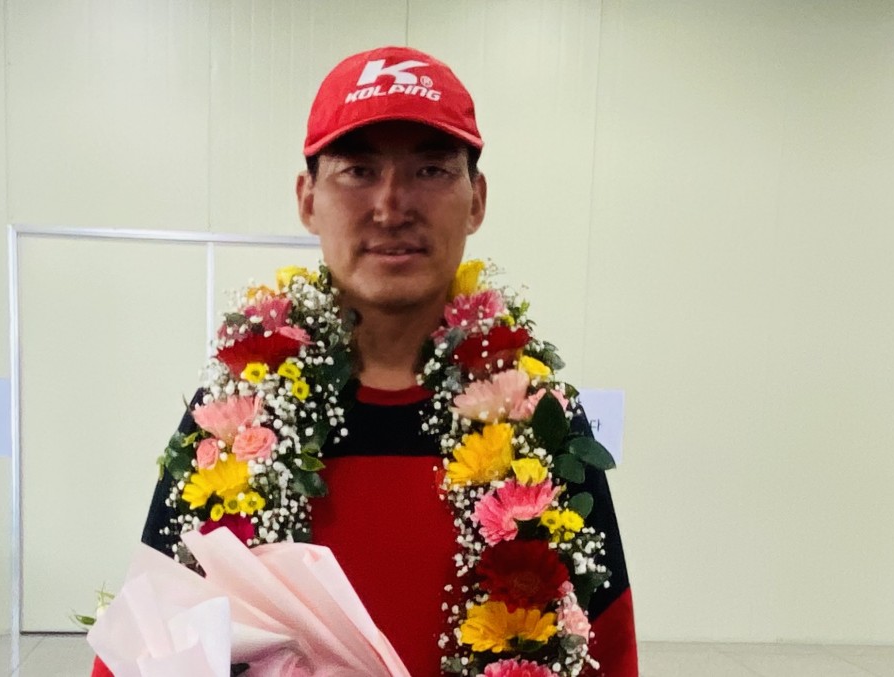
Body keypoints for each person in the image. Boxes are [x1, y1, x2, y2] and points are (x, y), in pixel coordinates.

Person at [91, 46, 637, 676]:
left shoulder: (539, 423)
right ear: (307, 198)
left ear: (476, 199)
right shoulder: (233, 421)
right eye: (357, 170)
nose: (391, 206)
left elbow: (609, 646)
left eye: (430, 170)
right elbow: (148, 641)